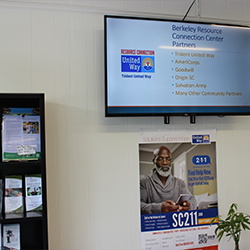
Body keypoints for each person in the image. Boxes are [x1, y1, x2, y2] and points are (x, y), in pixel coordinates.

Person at [140, 146, 197, 214]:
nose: (165, 163)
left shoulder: (180, 183)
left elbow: (193, 200)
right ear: (154, 161)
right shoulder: (144, 182)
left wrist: (189, 205)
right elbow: (138, 206)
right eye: (160, 159)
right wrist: (160, 208)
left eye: (168, 159)